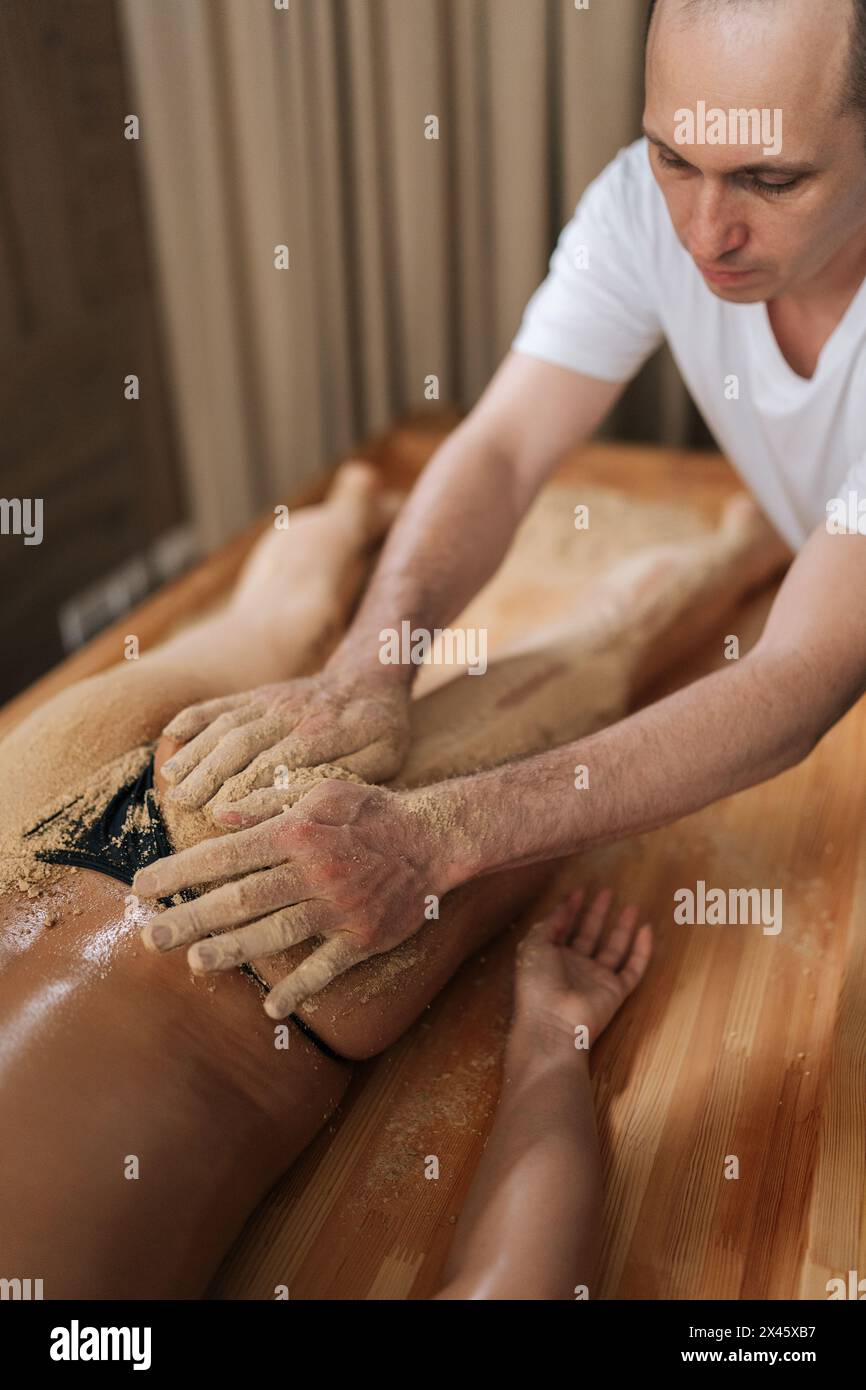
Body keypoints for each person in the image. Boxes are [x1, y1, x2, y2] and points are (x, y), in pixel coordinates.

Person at [137, 0, 861, 1015]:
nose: (703, 229)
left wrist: (441, 834)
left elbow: (800, 677)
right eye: (670, 157)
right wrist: (369, 661)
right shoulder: (637, 209)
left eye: (770, 179)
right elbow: (504, 446)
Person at [0, 464, 782, 1297]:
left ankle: (748, 546)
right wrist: (551, 1047)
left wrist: (550, 1050)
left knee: (604, 645)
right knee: (278, 622)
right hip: (39, 816)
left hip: (269, 941)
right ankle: (354, 506)